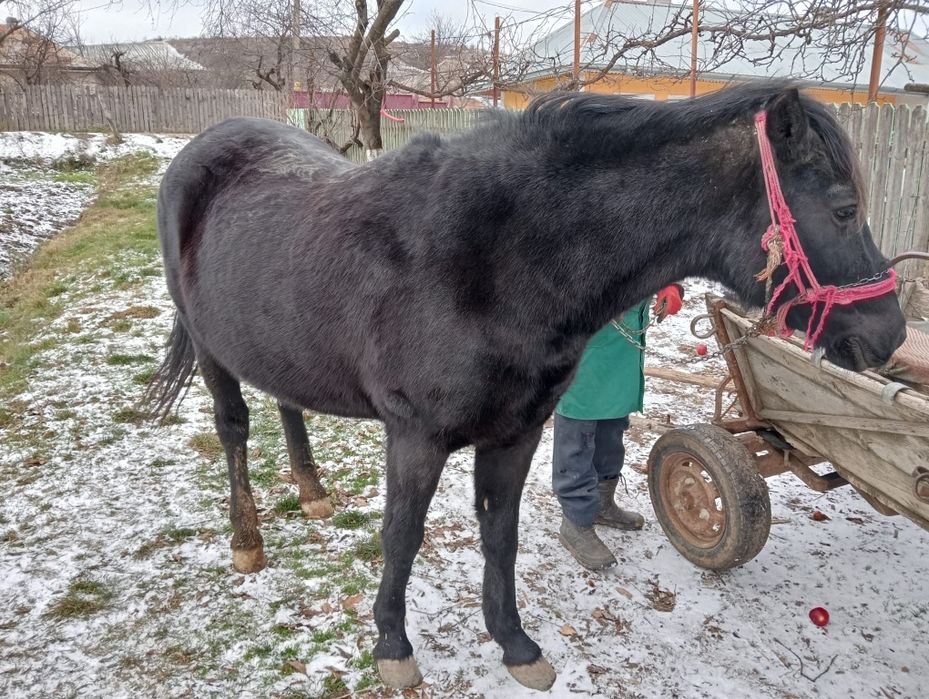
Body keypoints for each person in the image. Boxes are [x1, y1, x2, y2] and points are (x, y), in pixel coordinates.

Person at [553, 284, 684, 570]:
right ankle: (575, 520)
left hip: (623, 335)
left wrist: (670, 284)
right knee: (579, 426)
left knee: (612, 424)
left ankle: (601, 502)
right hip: (582, 332)